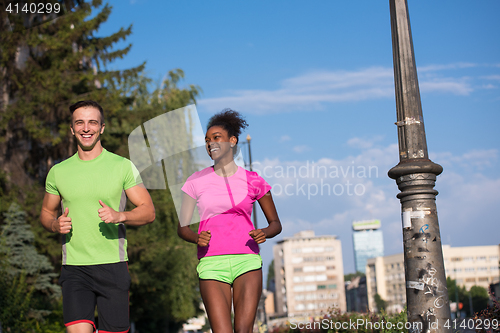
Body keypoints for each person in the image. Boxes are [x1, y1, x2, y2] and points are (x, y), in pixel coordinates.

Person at [40, 100, 155, 333]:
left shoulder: (122, 166)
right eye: (79, 122)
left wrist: (120, 215)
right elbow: (45, 212)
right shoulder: (58, 172)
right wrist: (54, 224)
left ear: (102, 127)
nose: (86, 128)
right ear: (72, 129)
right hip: (74, 268)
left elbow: (148, 211)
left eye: (92, 122)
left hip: (113, 267)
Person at [177, 109, 282, 333]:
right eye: (207, 140)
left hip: (247, 261)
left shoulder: (254, 180)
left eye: (216, 138)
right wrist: (197, 237)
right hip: (211, 264)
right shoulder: (194, 182)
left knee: (244, 330)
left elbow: (276, 224)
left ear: (232, 141)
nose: (210, 144)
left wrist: (265, 232)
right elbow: (182, 228)